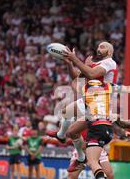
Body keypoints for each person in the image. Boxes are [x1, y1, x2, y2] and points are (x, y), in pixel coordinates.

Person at [47, 42, 118, 172]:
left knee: (69, 121)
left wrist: (76, 59)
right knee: (70, 125)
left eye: (102, 47)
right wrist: (69, 63)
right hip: (91, 100)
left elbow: (90, 74)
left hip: (100, 104)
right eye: (98, 46)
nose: (98, 48)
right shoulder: (95, 65)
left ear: (109, 52)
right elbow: (77, 77)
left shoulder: (109, 63)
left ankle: (68, 144)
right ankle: (73, 149)